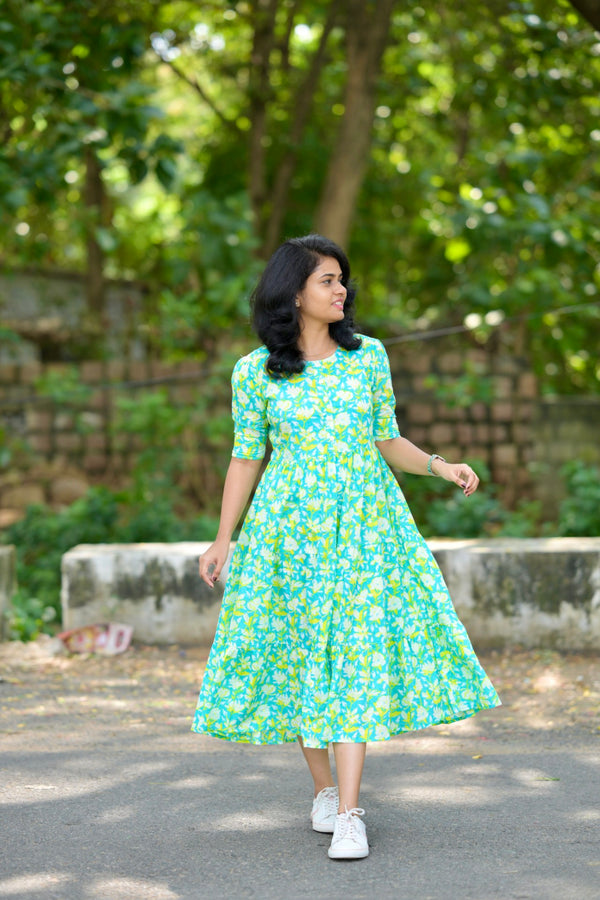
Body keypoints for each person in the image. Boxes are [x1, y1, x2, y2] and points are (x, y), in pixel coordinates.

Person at [192, 234, 501, 861]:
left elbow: (387, 440)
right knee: (304, 658)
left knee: (354, 657)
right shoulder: (255, 371)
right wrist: (223, 538)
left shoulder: (368, 358)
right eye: (327, 280)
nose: (341, 290)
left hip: (364, 529)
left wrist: (441, 466)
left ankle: (352, 814)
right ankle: (325, 792)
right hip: (287, 534)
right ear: (293, 293)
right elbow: (246, 457)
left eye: (342, 279)